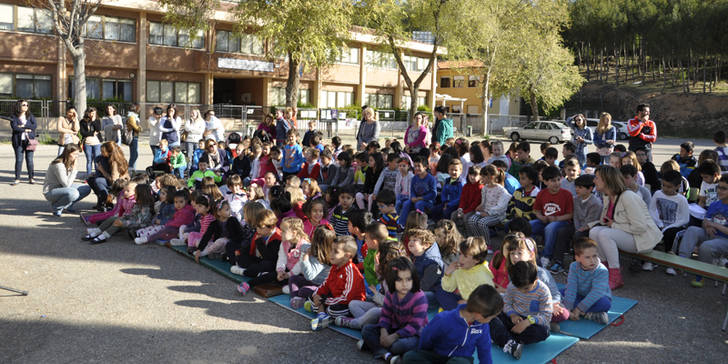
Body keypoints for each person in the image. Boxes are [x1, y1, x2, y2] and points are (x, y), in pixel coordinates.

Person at [589, 165, 662, 289]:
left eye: (596, 178)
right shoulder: (608, 196)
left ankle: (615, 277)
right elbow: (605, 220)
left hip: (642, 239)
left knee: (604, 234)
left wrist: (614, 224)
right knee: (594, 231)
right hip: (628, 235)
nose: (594, 181)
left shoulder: (628, 196)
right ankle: (604, 271)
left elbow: (640, 227)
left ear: (607, 180)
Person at [401, 284, 503, 364]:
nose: (491, 320)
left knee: (460, 362)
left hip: (461, 360)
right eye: (491, 317)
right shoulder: (444, 319)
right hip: (437, 355)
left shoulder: (482, 327)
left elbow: (485, 350)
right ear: (479, 315)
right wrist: (424, 354)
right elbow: (427, 338)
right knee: (409, 357)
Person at [359, 257, 428, 363]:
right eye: (399, 280)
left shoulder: (419, 297)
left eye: (408, 279)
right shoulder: (391, 293)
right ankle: (385, 354)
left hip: (414, 334)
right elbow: (385, 315)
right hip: (394, 328)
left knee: (399, 346)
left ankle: (374, 347)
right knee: (367, 329)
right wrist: (383, 332)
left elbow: (415, 325)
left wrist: (394, 336)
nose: (404, 284)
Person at [489, 261, 552, 360]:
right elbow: (506, 303)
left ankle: (501, 337)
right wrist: (512, 315)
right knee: (491, 315)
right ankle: (509, 342)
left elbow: (547, 315)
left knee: (544, 332)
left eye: (526, 288)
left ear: (536, 279)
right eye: (519, 288)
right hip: (512, 319)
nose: (522, 291)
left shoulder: (543, 291)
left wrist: (528, 322)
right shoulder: (512, 286)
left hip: (531, 323)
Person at [676, 175, 728, 287]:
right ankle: (682, 262)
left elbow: (715, 224)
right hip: (711, 235)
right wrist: (707, 226)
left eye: (724, 188)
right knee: (692, 230)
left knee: (706, 246)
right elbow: (706, 221)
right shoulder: (715, 204)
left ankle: (702, 274)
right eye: (719, 187)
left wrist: (714, 225)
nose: (719, 190)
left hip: (724, 240)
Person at [309, 235, 366, 330]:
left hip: (349, 303)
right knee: (313, 299)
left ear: (347, 255)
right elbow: (326, 284)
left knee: (332, 310)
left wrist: (324, 300)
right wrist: (317, 294)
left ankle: (324, 314)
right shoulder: (334, 267)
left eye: (335, 251)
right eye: (331, 249)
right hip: (335, 299)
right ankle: (323, 315)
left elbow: (347, 297)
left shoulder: (350, 271)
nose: (330, 253)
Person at [530, 166, 573, 270]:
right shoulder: (541, 193)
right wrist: (541, 217)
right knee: (529, 225)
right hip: (545, 220)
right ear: (545, 182)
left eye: (559, 179)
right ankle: (530, 253)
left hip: (562, 222)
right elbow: (536, 211)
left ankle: (546, 256)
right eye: (553, 181)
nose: (557, 183)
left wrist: (556, 219)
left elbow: (570, 215)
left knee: (551, 227)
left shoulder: (567, 194)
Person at [647, 170, 690, 272]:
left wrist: (668, 227)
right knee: (649, 230)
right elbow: (651, 210)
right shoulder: (657, 194)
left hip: (676, 226)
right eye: (663, 185)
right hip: (660, 223)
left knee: (670, 234)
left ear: (678, 186)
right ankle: (649, 260)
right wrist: (659, 224)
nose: (665, 189)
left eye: (669, 187)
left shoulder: (681, 199)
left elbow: (685, 219)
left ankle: (671, 262)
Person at [563, 238, 612, 325]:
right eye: (587, 257)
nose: (592, 260)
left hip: (597, 298)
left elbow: (596, 293)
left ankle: (580, 312)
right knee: (559, 294)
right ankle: (589, 314)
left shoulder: (602, 270)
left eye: (594, 256)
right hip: (579, 294)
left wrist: (579, 309)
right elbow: (571, 287)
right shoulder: (574, 266)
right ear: (577, 258)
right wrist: (568, 308)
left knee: (605, 304)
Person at [438, 236, 494, 311]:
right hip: (463, 300)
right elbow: (448, 288)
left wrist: (468, 303)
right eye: (460, 254)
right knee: (440, 291)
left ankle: (459, 315)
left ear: (476, 259)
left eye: (465, 256)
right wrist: (447, 273)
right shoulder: (460, 268)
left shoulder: (483, 276)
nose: (460, 259)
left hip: (477, 306)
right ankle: (457, 313)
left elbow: (488, 301)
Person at [43, 144, 91, 216]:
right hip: (51, 191)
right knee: (74, 193)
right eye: (74, 154)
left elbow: (75, 175)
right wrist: (74, 169)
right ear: (68, 153)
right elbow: (67, 184)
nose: (76, 156)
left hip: (62, 187)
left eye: (77, 154)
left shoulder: (68, 161)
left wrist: (90, 175)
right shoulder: (59, 165)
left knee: (86, 188)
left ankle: (67, 206)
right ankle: (56, 207)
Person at [467, 165, 511, 238]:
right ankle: (478, 240)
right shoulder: (485, 188)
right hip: (485, 212)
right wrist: (480, 206)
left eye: (483, 176)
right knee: (471, 220)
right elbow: (484, 202)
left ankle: (487, 243)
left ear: (491, 177)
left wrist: (489, 213)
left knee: (482, 223)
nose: (481, 178)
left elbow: (501, 207)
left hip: (497, 215)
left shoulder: (501, 190)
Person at [88, 142, 130, 211]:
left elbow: (113, 180)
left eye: (103, 152)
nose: (101, 153)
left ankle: (107, 201)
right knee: (91, 179)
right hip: (118, 181)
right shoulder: (118, 157)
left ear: (109, 152)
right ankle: (101, 202)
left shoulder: (114, 163)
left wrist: (102, 170)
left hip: (117, 185)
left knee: (98, 181)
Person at [397, 157, 437, 227]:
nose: (417, 168)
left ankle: (418, 224)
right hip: (416, 199)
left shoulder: (431, 179)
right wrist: (413, 197)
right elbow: (412, 190)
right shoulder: (414, 178)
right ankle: (401, 224)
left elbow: (433, 194)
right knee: (406, 203)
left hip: (427, 201)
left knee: (419, 204)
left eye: (419, 166)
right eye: (415, 166)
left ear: (425, 167)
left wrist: (421, 198)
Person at [80, 107, 103, 178]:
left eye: (94, 113)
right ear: (88, 113)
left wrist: (93, 121)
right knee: (89, 160)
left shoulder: (97, 120)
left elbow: (98, 129)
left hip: (96, 143)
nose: (93, 114)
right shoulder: (83, 121)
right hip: (87, 143)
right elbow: (83, 133)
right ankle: (89, 176)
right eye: (91, 113)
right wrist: (92, 134)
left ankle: (98, 175)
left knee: (97, 160)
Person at [126, 103, 141, 171]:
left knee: (134, 154)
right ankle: (130, 169)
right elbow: (136, 127)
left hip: (135, 136)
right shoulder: (131, 116)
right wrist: (140, 128)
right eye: (138, 108)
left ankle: (132, 169)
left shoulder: (134, 116)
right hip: (132, 137)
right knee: (134, 155)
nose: (139, 109)